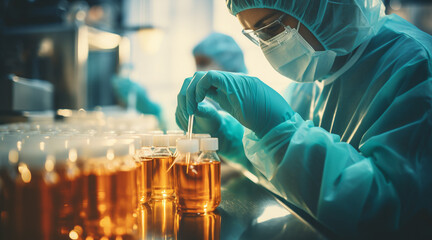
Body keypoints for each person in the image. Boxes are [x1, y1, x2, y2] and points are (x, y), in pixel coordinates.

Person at [175, 0, 432, 239]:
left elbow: (386, 215)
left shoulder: (416, 65)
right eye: (256, 35)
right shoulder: (316, 73)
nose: (267, 46)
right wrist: (227, 135)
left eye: (270, 28)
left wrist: (277, 129)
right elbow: (288, 173)